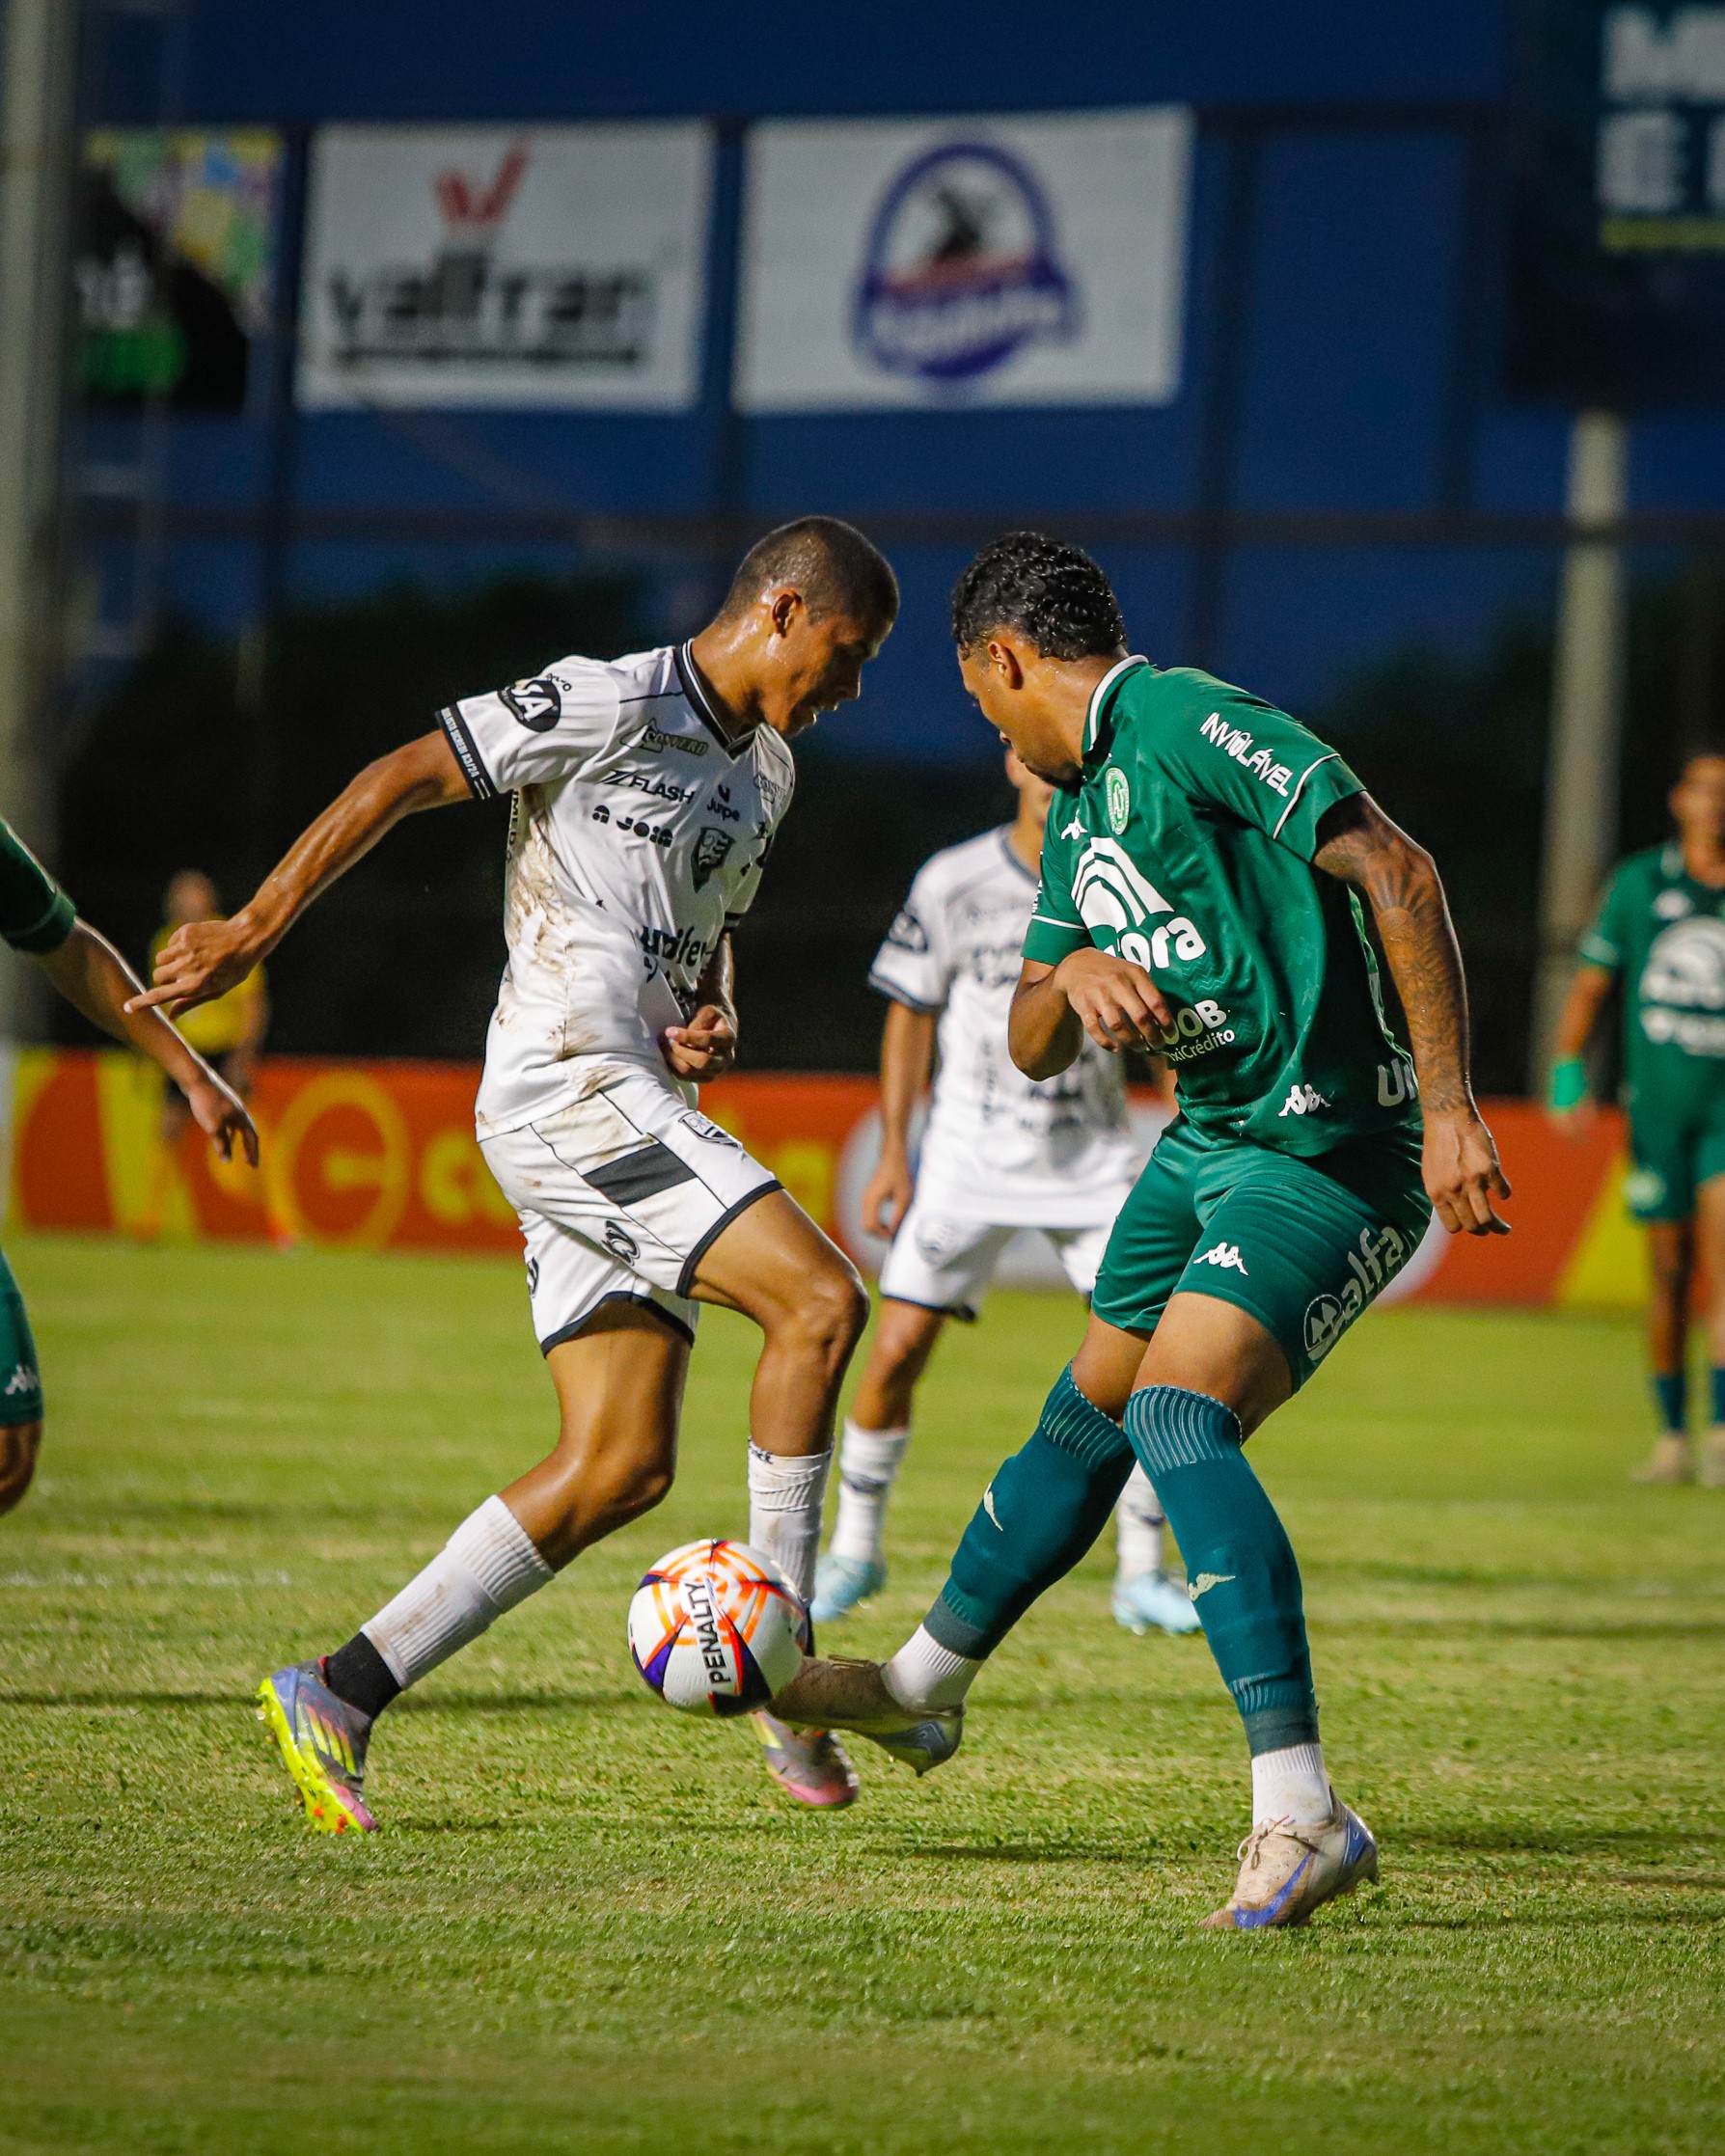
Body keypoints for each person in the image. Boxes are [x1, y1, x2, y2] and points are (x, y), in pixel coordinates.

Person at [770, 531, 1510, 1930]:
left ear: (1006, 659)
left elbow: (1400, 871)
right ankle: (920, 1688)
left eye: (982, 702)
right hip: (1205, 1145)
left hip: (1330, 1149)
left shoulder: (1186, 721)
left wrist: (1451, 1106)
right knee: (1086, 1417)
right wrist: (1076, 976)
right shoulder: (1081, 807)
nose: (992, 735)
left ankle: (1303, 1811)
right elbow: (1029, 1031)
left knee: (1178, 1414)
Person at [133, 516, 900, 1830]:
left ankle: (338, 1689)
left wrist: (711, 1010)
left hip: (635, 1090)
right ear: (781, 609)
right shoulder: (611, 698)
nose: (853, 687)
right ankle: (789, 1677)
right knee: (821, 1301)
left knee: (619, 1461)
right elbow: (400, 776)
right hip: (563, 1083)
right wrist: (255, 925)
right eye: (848, 650)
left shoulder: (767, 771)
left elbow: (709, 935)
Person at [813, 746, 1198, 1638]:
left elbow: (1161, 1025)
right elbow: (910, 1013)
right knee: (894, 1349)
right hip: (967, 1159)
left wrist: (1195, 1129)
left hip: (1092, 1163)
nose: (1056, 783)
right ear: (1013, 763)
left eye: (1071, 772)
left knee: (1146, 1361)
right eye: (1041, 767)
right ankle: (856, 1550)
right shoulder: (953, 880)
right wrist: (896, 1153)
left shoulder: (1123, 879)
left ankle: (1142, 1571)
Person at [0, 823, 257, 1517]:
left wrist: (199, 1074)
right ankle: (149, 1219)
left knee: (9, 1451)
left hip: (211, 1056)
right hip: (192, 1055)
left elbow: (73, 950)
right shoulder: (167, 940)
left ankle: (251, 1225)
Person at [1548, 751, 1725, 1485]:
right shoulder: (1640, 883)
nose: (1715, 804)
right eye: (1705, 790)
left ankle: (1722, 1433)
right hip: (1657, 1110)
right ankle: (1672, 1435)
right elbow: (1594, 984)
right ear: (1679, 799)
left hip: (1723, 1112)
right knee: (1670, 1274)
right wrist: (1568, 1068)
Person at [136, 870, 269, 1242]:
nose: (187, 907)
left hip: (223, 1049)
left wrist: (243, 1056)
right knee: (169, 1131)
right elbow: (160, 1003)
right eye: (181, 900)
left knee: (252, 1130)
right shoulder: (163, 940)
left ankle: (280, 1224)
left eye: (194, 899)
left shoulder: (230, 935)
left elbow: (253, 1003)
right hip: (185, 1050)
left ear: (208, 902)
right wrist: (154, 1050)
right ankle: (149, 1220)